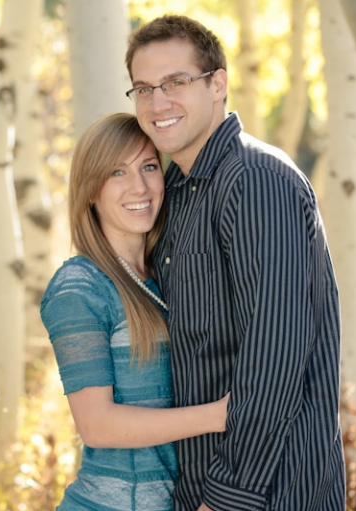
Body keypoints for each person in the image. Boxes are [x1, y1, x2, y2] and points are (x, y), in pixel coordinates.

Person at [124, 15, 346, 510]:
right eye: (143, 88)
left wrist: (227, 498)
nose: (158, 102)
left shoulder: (253, 180)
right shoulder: (178, 192)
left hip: (271, 492)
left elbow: (275, 356)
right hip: (200, 485)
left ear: (218, 83)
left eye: (176, 82)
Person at [40, 112, 229, 510]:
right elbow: (98, 426)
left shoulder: (165, 277)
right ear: (90, 190)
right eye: (117, 173)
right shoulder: (79, 286)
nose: (139, 186)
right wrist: (222, 415)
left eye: (148, 166)